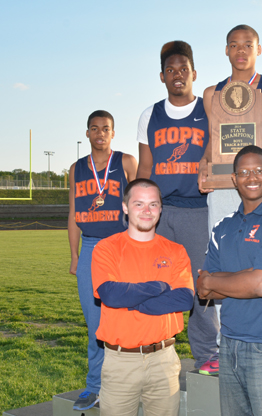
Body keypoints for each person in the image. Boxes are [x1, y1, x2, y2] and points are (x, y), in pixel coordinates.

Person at [196, 24, 262, 374]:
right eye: (234, 45)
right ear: (226, 50)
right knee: (224, 265)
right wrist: (205, 163)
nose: (241, 51)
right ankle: (227, 347)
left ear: (259, 49)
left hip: (261, 185)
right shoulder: (211, 93)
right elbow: (212, 139)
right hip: (224, 188)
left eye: (248, 45)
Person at [197, 145, 262, 416]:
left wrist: (218, 281)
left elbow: (260, 285)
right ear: (234, 179)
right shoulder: (223, 226)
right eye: (244, 172)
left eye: (259, 170)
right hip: (229, 343)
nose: (252, 177)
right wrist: (250, 278)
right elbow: (202, 290)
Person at [136, 40, 219, 370]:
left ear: (194, 73)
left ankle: (208, 356)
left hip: (199, 210)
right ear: (162, 76)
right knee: (159, 285)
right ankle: (154, 352)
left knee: (202, 286)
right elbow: (145, 168)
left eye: (183, 69)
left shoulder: (208, 110)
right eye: (170, 70)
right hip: (162, 212)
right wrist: (141, 214)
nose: (177, 75)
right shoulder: (150, 114)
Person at [91, 178, 194, 416]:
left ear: (160, 208)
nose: (147, 211)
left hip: (164, 360)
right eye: (139, 204)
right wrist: (160, 285)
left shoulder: (176, 251)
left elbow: (184, 300)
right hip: (120, 362)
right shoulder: (106, 248)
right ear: (125, 207)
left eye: (153, 204)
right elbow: (111, 294)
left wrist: (132, 302)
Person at [67, 110, 137, 410]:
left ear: (112, 133)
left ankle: (131, 381)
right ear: (87, 134)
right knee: (95, 323)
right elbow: (72, 214)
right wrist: (74, 255)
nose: (100, 133)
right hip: (91, 248)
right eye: (94, 129)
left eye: (105, 129)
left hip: (121, 246)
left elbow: (140, 203)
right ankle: (94, 385)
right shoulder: (76, 168)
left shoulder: (126, 162)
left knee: (129, 317)